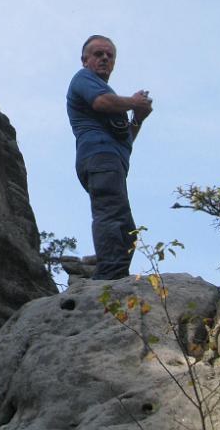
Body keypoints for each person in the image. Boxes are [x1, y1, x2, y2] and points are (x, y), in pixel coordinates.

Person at [66, 35, 153, 280]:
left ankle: (102, 265)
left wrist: (138, 118)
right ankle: (109, 276)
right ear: (85, 60)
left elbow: (125, 138)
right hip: (99, 158)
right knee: (113, 216)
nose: (105, 58)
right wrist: (133, 102)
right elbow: (101, 102)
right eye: (98, 54)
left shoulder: (112, 97)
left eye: (110, 55)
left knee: (126, 229)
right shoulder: (84, 79)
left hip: (111, 162)